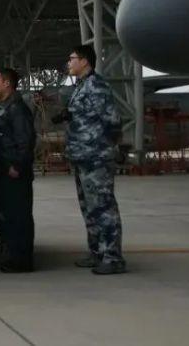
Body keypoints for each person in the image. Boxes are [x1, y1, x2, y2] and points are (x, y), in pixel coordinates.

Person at [65, 44, 127, 275]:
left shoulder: (96, 86)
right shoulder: (81, 87)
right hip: (83, 156)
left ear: (84, 61)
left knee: (103, 207)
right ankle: (97, 252)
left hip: (96, 157)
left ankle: (113, 257)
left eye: (72, 58)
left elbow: (112, 120)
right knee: (89, 208)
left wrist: (103, 146)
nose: (69, 63)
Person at [0, 68, 36, 272]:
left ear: (7, 84)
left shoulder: (17, 109)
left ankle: (19, 260)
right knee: (5, 217)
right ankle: (9, 255)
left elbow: (26, 140)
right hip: (1, 171)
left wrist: (17, 166)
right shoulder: (3, 107)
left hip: (13, 173)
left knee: (17, 217)